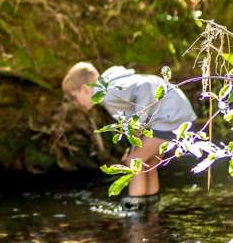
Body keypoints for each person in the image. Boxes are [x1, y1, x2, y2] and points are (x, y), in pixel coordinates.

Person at [62, 62, 197, 212]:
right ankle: (151, 210)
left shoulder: (109, 91)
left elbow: (145, 87)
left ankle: (134, 214)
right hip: (174, 112)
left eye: (74, 97)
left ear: (84, 89)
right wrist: (133, 142)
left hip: (170, 115)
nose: (75, 103)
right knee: (148, 163)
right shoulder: (109, 88)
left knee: (134, 161)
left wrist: (137, 124)